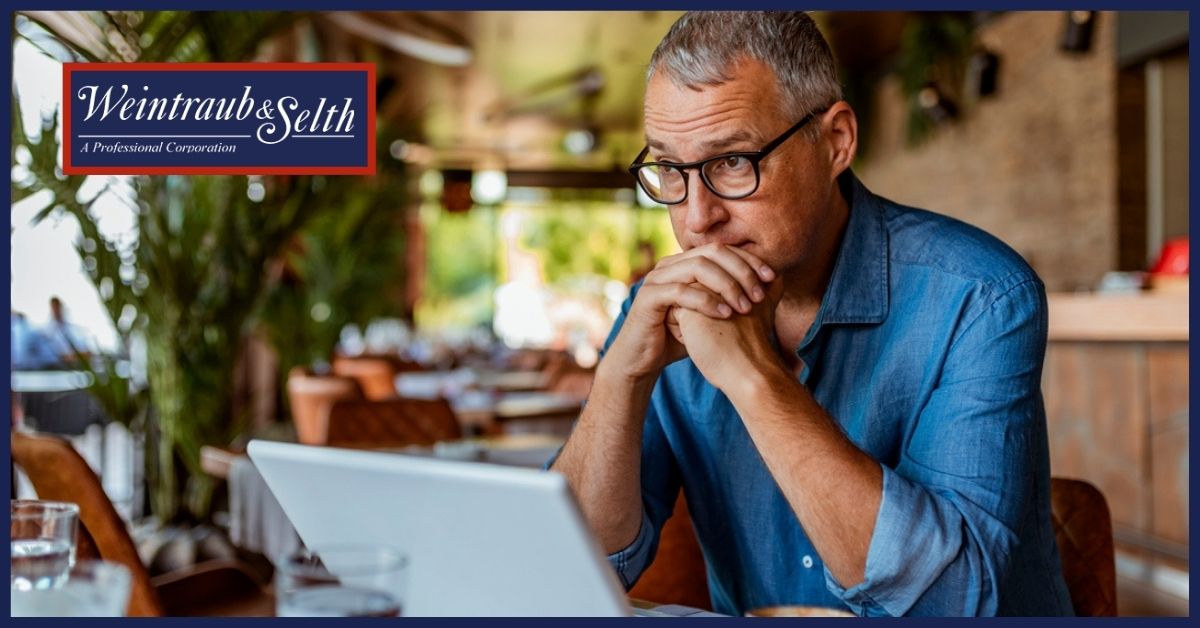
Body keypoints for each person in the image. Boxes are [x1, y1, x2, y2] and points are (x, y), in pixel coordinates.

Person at [551, 11, 1072, 617]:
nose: (696, 219)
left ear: (835, 142)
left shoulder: (981, 297)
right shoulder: (660, 313)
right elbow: (571, 574)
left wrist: (753, 380)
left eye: (732, 162)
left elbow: (954, 603)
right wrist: (619, 377)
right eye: (670, 169)